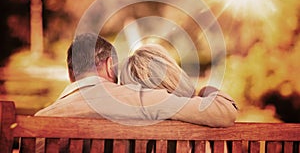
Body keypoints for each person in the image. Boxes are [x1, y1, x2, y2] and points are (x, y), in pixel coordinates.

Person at [35, 33, 237, 128]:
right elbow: (224, 112)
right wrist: (204, 91)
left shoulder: (42, 119)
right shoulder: (140, 99)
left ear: (71, 75)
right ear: (108, 65)